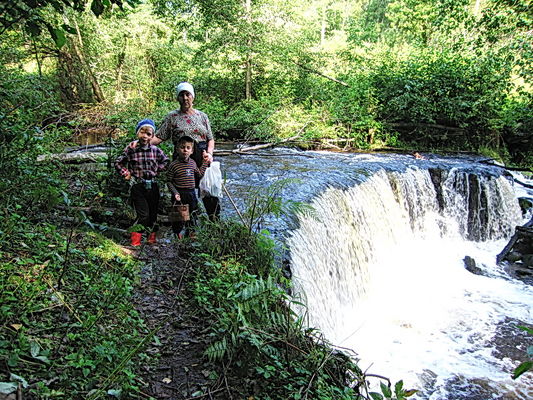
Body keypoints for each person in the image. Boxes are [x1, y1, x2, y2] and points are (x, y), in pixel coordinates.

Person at [151, 81, 220, 220]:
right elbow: (159, 137)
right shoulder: (172, 117)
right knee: (181, 191)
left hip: (202, 156)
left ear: (193, 96)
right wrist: (142, 143)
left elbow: (210, 139)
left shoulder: (202, 116)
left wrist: (210, 154)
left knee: (209, 190)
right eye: (181, 95)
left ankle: (214, 223)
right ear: (177, 98)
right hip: (181, 159)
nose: (185, 98)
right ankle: (181, 230)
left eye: (187, 94)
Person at [115, 119, 169, 246]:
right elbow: (118, 162)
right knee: (143, 214)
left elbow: (166, 161)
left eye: (148, 134)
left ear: (152, 136)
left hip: (153, 185)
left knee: (153, 214)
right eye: (142, 132)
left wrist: (158, 170)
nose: (145, 136)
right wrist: (125, 173)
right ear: (137, 133)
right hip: (138, 186)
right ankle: (135, 241)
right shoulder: (132, 149)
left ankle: (151, 239)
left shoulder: (156, 150)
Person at [167, 135, 211, 238]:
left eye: (188, 148)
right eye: (182, 147)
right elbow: (169, 181)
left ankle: (191, 234)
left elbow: (199, 174)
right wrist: (175, 192)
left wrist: (204, 163)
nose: (185, 150)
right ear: (177, 149)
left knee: (193, 214)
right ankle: (177, 235)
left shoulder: (193, 163)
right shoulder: (174, 165)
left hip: (191, 193)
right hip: (179, 193)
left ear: (192, 151)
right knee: (178, 216)